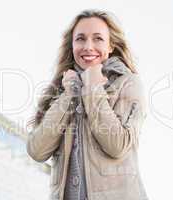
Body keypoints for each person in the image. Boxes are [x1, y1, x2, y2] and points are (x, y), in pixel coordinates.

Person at [26, 9, 148, 200]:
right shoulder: (62, 89)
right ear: (72, 46)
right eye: (80, 39)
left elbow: (118, 145)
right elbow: (37, 150)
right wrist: (69, 94)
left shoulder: (128, 83)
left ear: (111, 46)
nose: (88, 46)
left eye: (98, 38)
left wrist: (93, 87)